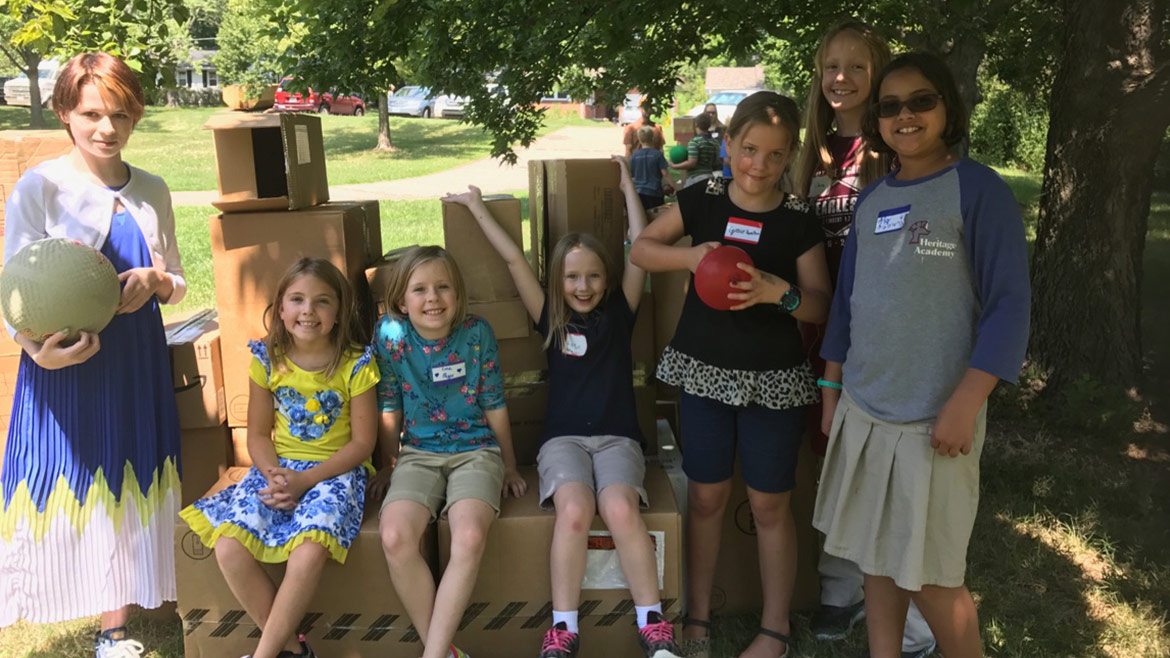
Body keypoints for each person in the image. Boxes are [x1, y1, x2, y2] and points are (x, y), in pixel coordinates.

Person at [813, 52, 1030, 658]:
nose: (904, 115)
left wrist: (967, 401)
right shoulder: (872, 200)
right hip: (864, 408)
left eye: (921, 101)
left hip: (934, 419)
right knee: (875, 560)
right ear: (876, 120)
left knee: (932, 578)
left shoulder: (979, 190)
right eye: (890, 106)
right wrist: (831, 392)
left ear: (948, 108)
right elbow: (846, 307)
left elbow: (1009, 306)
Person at [442, 155, 680, 658]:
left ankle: (653, 623)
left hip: (617, 438)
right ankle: (563, 628)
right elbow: (513, 261)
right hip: (564, 441)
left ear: (606, 279)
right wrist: (476, 206)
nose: (583, 286)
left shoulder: (620, 313)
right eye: (572, 277)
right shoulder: (550, 315)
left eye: (593, 276)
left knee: (619, 508)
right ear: (558, 281)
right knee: (574, 511)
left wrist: (627, 187)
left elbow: (640, 248)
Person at [630, 92, 832, 658]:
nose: (759, 165)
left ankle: (775, 630)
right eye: (748, 149)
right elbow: (642, 250)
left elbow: (821, 304)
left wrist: (780, 294)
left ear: (790, 155)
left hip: (774, 380)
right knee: (706, 497)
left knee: (769, 505)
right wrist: (691, 258)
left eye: (775, 154)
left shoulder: (798, 220)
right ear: (728, 144)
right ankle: (697, 616)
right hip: (705, 375)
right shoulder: (703, 199)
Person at [0, 52, 186, 658]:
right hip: (65, 364)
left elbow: (177, 280)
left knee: (126, 474)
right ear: (65, 113)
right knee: (68, 477)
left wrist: (157, 281)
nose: (107, 128)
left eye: (121, 115)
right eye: (91, 114)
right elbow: (13, 291)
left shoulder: (152, 188)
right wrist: (37, 353)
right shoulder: (41, 187)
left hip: (135, 356)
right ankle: (48, 593)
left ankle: (115, 625)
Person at [793, 20, 937, 658]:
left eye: (856, 66)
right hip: (816, 324)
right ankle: (841, 583)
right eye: (831, 65)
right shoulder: (809, 152)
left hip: (878, 327)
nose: (841, 78)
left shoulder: (894, 149)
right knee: (833, 450)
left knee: (890, 460)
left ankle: (915, 617)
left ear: (878, 74)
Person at [180, 258, 379, 658]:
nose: (309, 310)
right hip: (278, 468)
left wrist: (305, 480)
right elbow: (257, 434)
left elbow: (362, 444)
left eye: (322, 301)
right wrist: (274, 474)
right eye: (297, 299)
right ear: (281, 309)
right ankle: (293, 651)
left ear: (339, 311)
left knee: (308, 551)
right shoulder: (267, 360)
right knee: (229, 546)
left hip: (335, 472)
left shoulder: (355, 364)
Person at [371, 246, 527, 658]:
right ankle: (444, 652)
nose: (432, 298)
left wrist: (510, 465)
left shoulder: (476, 334)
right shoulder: (389, 337)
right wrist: (388, 464)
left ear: (457, 294)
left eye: (443, 287)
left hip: (476, 450)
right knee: (394, 536)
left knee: (470, 535)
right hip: (418, 453)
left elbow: (493, 401)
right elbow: (389, 402)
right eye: (419, 289)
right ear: (401, 301)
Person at [670, 113, 722, 189]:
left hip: (696, 178)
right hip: (711, 177)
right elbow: (717, 161)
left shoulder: (694, 142)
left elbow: (691, 163)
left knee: (690, 196)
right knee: (711, 197)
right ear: (709, 125)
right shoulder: (715, 142)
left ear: (696, 124)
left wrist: (674, 166)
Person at [630, 127, 675, 211]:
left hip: (639, 192)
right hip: (654, 192)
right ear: (652, 138)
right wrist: (674, 186)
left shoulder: (634, 156)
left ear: (639, 139)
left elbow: (632, 176)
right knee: (656, 216)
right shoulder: (658, 154)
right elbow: (665, 173)